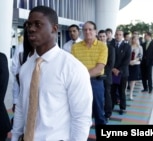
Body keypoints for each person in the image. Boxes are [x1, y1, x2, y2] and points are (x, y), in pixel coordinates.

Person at [11, 6, 93, 141]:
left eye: (38, 24)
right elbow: (21, 106)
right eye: (29, 24)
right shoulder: (26, 67)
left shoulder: (73, 68)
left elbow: (81, 118)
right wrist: (15, 137)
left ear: (54, 29)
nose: (31, 29)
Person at [72, 21, 108, 141]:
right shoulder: (75, 47)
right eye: (85, 29)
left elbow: (99, 68)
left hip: (96, 83)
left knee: (99, 114)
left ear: (95, 31)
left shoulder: (102, 46)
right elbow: (73, 67)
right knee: (80, 114)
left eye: (90, 29)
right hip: (79, 85)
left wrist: (82, 76)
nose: (87, 32)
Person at [111, 29, 131, 115]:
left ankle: (122, 108)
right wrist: (113, 69)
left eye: (120, 34)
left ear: (122, 36)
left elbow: (127, 60)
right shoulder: (110, 45)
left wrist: (118, 70)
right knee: (112, 91)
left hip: (122, 73)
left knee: (122, 91)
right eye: (117, 34)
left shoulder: (127, 46)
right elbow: (108, 59)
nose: (118, 36)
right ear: (114, 35)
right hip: (111, 72)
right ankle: (110, 106)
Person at [97, 29, 115, 121]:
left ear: (106, 37)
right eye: (100, 36)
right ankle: (97, 113)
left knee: (107, 95)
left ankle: (108, 114)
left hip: (106, 76)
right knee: (97, 96)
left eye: (103, 36)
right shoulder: (94, 48)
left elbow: (111, 64)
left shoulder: (111, 48)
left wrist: (101, 71)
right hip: (95, 76)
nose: (102, 38)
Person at [128, 35, 143, 100]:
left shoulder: (140, 47)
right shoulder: (128, 46)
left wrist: (134, 61)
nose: (135, 40)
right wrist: (129, 62)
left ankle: (131, 93)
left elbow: (140, 56)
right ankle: (125, 91)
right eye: (134, 39)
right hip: (128, 64)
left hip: (136, 64)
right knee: (126, 79)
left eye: (137, 39)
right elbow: (126, 55)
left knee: (133, 80)